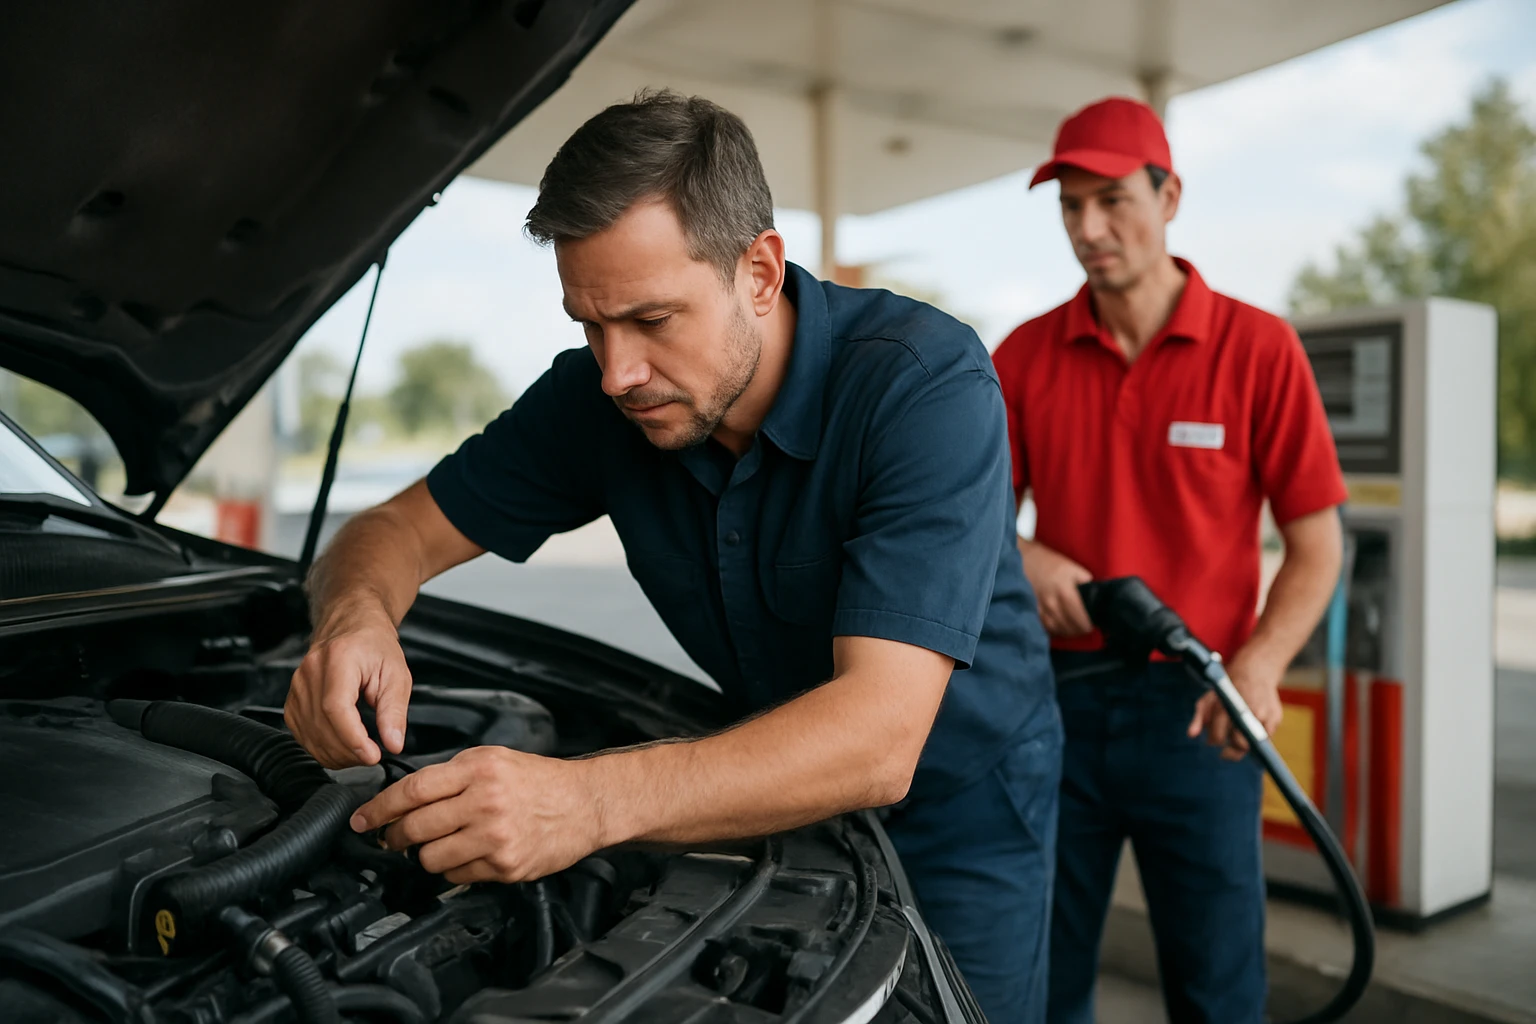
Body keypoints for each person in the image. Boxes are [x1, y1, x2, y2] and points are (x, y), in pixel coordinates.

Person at [284, 89, 1062, 1021]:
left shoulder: (924, 386)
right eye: (590, 324)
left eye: (652, 320)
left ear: (759, 272)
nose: (618, 372)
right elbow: (391, 531)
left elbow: (879, 739)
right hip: (759, 785)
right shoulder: (596, 400)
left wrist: (585, 804)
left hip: (965, 808)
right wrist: (357, 618)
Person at [991, 97, 1346, 1024]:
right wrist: (1026, 555)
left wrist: (1259, 667)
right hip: (1055, 706)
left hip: (1204, 709)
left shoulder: (1259, 349)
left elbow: (1317, 545)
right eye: (1071, 206)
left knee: (1218, 985)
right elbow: (970, 522)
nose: (1088, 228)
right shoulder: (1023, 356)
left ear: (1170, 197)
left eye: (1112, 200)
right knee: (1040, 977)